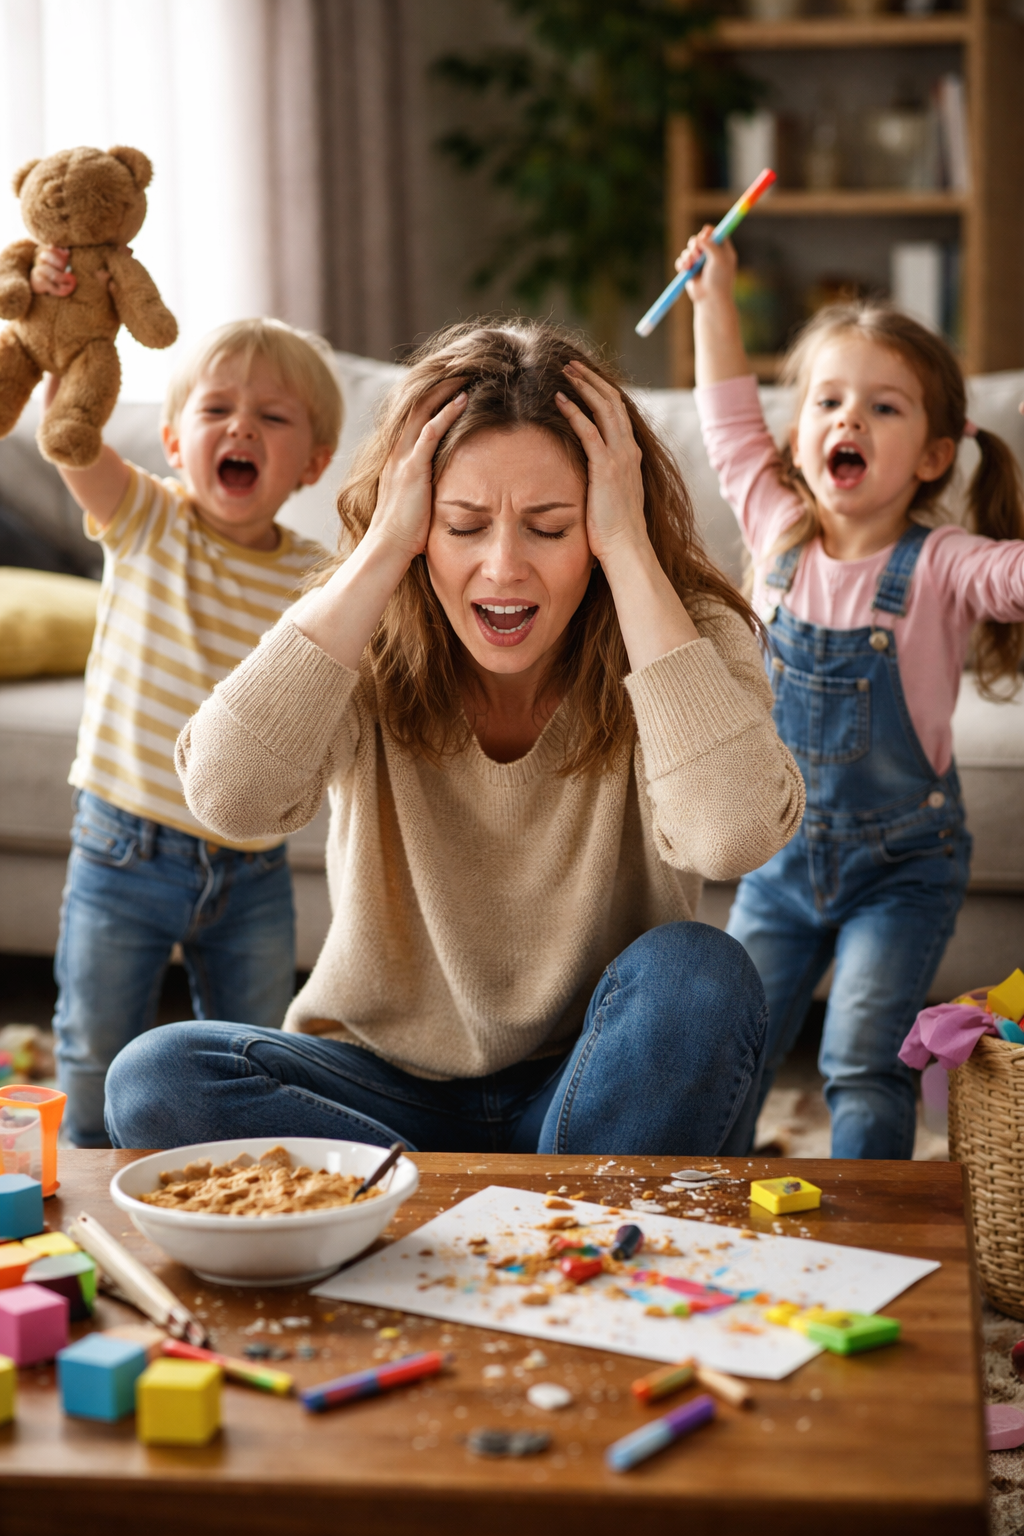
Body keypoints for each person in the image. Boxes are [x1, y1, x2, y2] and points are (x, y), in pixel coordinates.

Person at [104, 318, 804, 1155]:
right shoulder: (364, 628)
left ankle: (460, 1210)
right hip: (380, 1087)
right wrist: (381, 549)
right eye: (464, 525)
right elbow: (230, 795)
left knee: (703, 977)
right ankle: (521, 1212)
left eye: (551, 526)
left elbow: (729, 838)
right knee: (156, 1077)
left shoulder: (683, 631)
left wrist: (628, 547)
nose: (503, 567)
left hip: (587, 1079)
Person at [679, 225, 1024, 1160]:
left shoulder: (945, 563)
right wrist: (714, 300)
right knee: (734, 1050)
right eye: (829, 401)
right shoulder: (777, 528)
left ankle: (872, 1231)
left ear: (934, 456)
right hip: (779, 859)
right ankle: (714, 1206)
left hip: (902, 869)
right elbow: (726, 424)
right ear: (800, 437)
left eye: (884, 406)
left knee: (863, 1060)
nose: (850, 421)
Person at [30, 245, 341, 1146]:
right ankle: (88, 1193)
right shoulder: (146, 517)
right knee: (91, 1043)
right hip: (122, 847)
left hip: (252, 865)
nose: (239, 428)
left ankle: (229, 1180)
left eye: (271, 417)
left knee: (253, 1055)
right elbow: (72, 437)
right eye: (216, 411)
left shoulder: (319, 579)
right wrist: (72, 312)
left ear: (312, 464)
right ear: (174, 442)